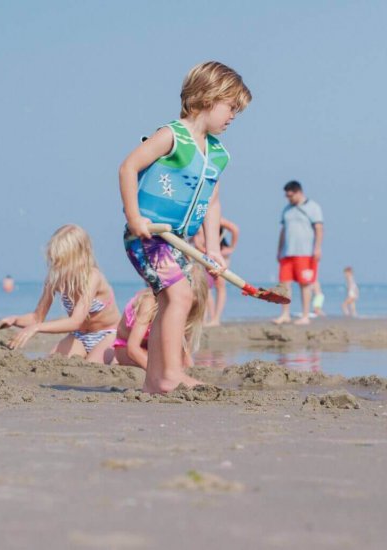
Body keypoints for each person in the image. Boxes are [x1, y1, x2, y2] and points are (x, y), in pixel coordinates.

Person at [118, 61, 251, 394]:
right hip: (150, 234)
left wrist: (213, 248)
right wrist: (135, 218)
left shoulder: (217, 154)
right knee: (181, 295)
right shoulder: (171, 136)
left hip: (178, 241)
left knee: (171, 301)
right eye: (230, 107)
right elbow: (128, 167)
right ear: (207, 97)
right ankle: (172, 374)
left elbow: (212, 202)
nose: (233, 116)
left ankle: (155, 381)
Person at [0, 225, 120, 363]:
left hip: (108, 334)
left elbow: (75, 321)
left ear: (79, 256)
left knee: (92, 367)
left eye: (62, 261)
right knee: (51, 363)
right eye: (55, 260)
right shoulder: (55, 278)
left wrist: (37, 328)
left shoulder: (92, 277)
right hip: (80, 336)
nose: (57, 266)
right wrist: (15, 320)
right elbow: (37, 318)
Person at [114, 265, 209, 369]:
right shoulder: (149, 303)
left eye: (191, 306)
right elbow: (132, 349)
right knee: (162, 367)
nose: (185, 309)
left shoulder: (187, 312)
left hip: (153, 348)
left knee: (177, 363)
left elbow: (184, 353)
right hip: (126, 347)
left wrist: (189, 370)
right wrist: (156, 371)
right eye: (183, 304)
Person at [272, 181, 324, 325]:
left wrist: (317, 248)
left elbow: (319, 228)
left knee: (305, 284)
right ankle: (285, 314)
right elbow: (283, 231)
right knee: (284, 284)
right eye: (287, 196)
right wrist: (279, 250)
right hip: (287, 253)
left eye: (291, 196)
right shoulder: (287, 209)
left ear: (299, 192)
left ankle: (305, 315)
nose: (289, 199)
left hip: (305, 253)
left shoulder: (313, 207)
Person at [193, 217, 239, 326]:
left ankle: (216, 318)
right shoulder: (196, 218)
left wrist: (232, 248)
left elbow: (235, 229)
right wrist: (201, 249)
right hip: (203, 255)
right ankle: (207, 317)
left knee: (219, 285)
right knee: (205, 287)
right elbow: (196, 240)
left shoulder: (217, 219)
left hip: (218, 254)